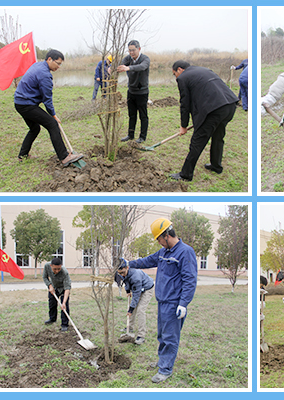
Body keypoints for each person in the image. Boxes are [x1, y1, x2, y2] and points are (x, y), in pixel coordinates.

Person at [126, 218, 198, 383]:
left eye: (159, 239)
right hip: (163, 301)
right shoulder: (163, 252)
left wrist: (183, 304)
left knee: (170, 336)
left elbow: (190, 280)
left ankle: (165, 370)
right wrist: (129, 264)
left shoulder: (185, 252)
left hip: (174, 303)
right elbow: (147, 261)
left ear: (166, 235)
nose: (159, 243)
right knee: (162, 335)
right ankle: (162, 361)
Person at [170, 60, 238, 181]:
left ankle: (185, 174)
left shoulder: (183, 78)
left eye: (174, 74)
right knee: (218, 136)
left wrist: (183, 126)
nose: (175, 77)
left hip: (214, 110)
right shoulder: (204, 70)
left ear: (179, 70)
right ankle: (216, 166)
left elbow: (184, 104)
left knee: (197, 141)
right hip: (230, 104)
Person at [14, 49, 84, 167]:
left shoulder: (38, 65)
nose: (59, 67)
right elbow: (47, 99)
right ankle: (64, 156)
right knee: (52, 124)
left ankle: (23, 155)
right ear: (49, 59)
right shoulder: (45, 75)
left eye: (60, 64)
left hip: (20, 102)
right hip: (26, 104)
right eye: (58, 63)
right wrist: (53, 115)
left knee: (34, 128)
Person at [118, 40, 150, 144]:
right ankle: (130, 135)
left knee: (143, 115)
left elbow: (142, 67)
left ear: (139, 49)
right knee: (132, 115)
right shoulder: (128, 59)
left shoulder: (145, 59)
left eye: (133, 50)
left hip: (142, 92)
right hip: (131, 91)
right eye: (129, 50)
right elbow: (120, 64)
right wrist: (112, 68)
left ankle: (142, 137)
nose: (131, 53)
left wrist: (128, 68)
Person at [116, 261, 154, 345]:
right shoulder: (123, 273)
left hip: (147, 288)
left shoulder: (135, 277)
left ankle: (141, 336)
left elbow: (136, 295)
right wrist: (128, 291)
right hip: (138, 288)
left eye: (123, 272)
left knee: (140, 310)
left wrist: (131, 309)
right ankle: (130, 328)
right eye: (120, 273)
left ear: (127, 268)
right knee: (132, 308)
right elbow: (126, 281)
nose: (122, 274)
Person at [42, 258, 72, 332]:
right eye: (55, 269)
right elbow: (45, 277)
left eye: (59, 269)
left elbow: (67, 288)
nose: (57, 271)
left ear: (61, 266)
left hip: (63, 289)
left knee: (65, 307)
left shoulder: (64, 272)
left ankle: (64, 324)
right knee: (52, 304)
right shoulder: (47, 266)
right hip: (53, 287)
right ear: (51, 266)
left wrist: (64, 302)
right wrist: (50, 285)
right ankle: (52, 319)